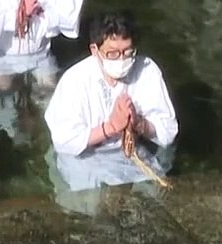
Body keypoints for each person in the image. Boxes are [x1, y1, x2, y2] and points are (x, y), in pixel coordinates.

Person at [43, 12, 179, 193]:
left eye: (128, 52)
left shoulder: (147, 71)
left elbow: (168, 131)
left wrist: (138, 123)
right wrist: (112, 127)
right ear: (95, 50)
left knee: (158, 193)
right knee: (90, 202)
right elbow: (65, 141)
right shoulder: (74, 81)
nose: (122, 59)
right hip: (84, 158)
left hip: (130, 152)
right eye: (113, 53)